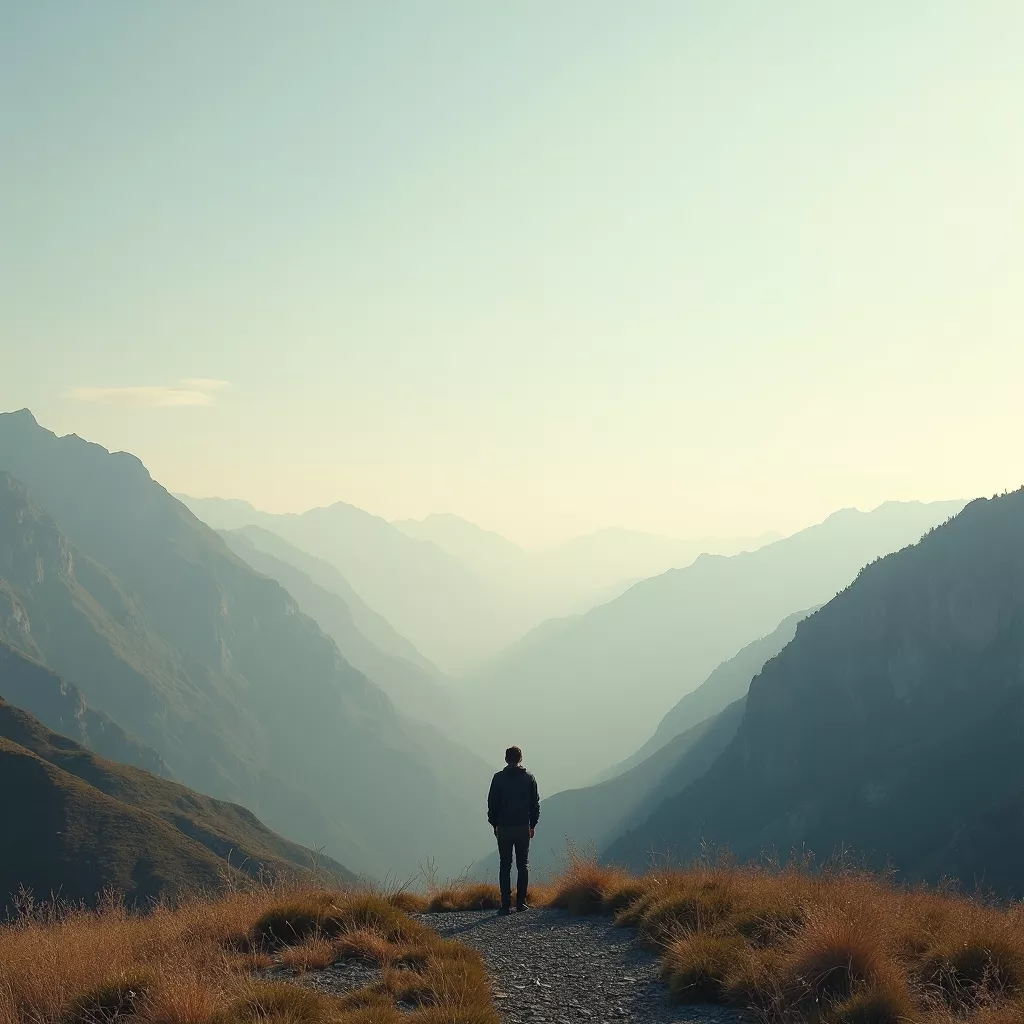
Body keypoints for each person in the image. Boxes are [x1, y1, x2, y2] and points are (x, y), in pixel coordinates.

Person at [487, 745, 540, 915]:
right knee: (522, 865)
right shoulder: (529, 778)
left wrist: (494, 824)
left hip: (504, 827)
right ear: (521, 759)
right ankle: (521, 903)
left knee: (505, 866)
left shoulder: (498, 778)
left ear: (505, 759)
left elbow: (492, 803)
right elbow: (535, 804)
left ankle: (505, 905)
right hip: (523, 826)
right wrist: (532, 825)